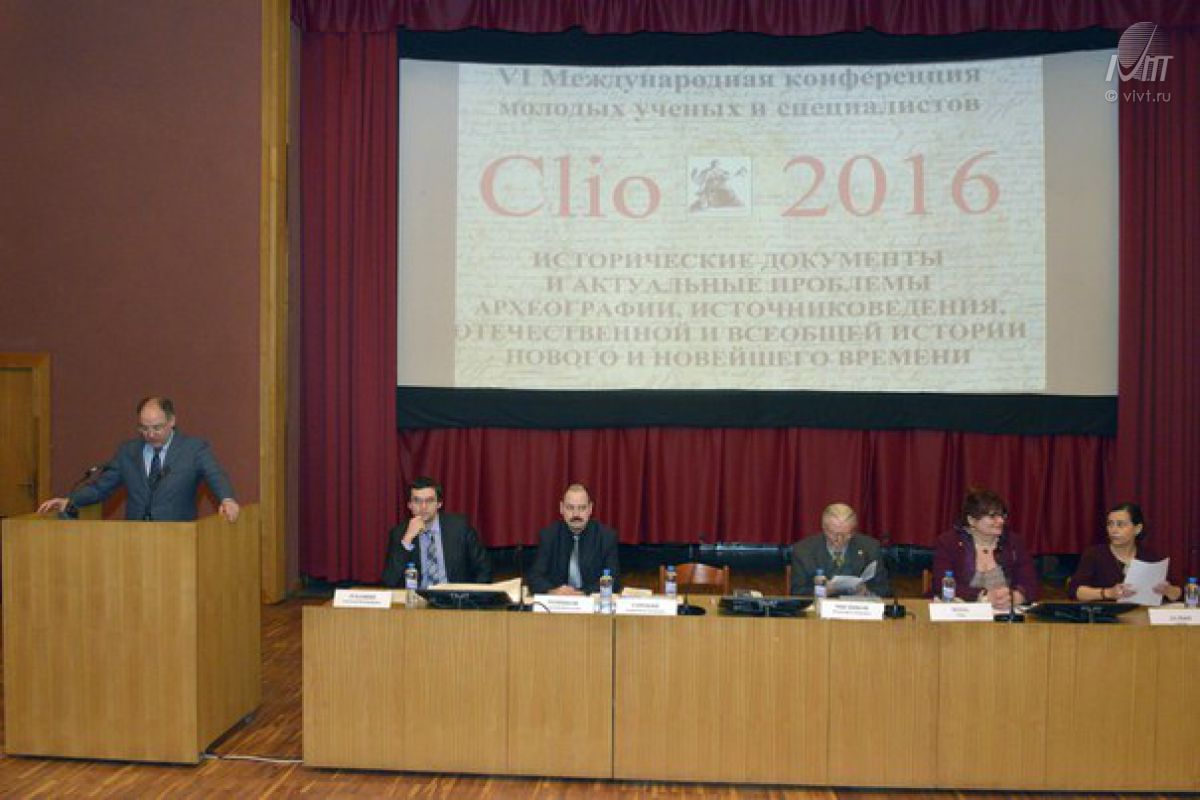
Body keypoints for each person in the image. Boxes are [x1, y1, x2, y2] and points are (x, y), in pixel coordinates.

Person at [37, 396, 239, 522]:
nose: (150, 434)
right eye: (144, 428)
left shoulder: (193, 449)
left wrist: (227, 499)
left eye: (157, 428)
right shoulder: (128, 451)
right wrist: (71, 501)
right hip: (135, 539)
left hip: (178, 538)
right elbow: (102, 488)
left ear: (172, 421)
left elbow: (215, 474)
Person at [932, 487, 1040, 607]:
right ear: (971, 520)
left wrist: (1016, 597)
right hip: (962, 611)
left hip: (1004, 613)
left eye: (1002, 515)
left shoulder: (1014, 543)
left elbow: (1031, 585)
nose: (1001, 521)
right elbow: (940, 585)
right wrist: (983, 596)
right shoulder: (949, 542)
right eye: (992, 516)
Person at [380, 476, 492, 588]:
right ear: (409, 505)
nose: (423, 507)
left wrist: (473, 596)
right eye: (417, 501)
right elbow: (390, 581)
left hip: (455, 596)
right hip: (418, 597)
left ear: (439, 504)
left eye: (429, 500)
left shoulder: (460, 527)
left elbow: (484, 569)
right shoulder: (399, 533)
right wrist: (407, 540)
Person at [1070, 502, 1182, 602]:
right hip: (1106, 616)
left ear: (1137, 529)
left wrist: (1169, 591)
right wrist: (1108, 593)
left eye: (1120, 524)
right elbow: (1075, 591)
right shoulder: (1095, 554)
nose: (1113, 530)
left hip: (1142, 615)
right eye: (1110, 524)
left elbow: (1179, 592)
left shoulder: (1151, 558)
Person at [528, 483, 620, 595]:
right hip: (559, 600)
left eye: (582, 508)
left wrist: (582, 593)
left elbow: (614, 580)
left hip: (590, 600)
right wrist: (554, 591)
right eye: (570, 508)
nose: (576, 514)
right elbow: (535, 577)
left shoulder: (606, 537)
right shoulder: (548, 536)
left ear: (590, 509)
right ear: (561, 508)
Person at [789, 502, 891, 597]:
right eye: (834, 534)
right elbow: (797, 593)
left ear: (854, 530)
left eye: (846, 534)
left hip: (858, 607)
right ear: (824, 528)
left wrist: (866, 592)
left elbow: (884, 590)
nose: (839, 540)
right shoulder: (803, 551)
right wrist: (821, 591)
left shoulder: (870, 548)